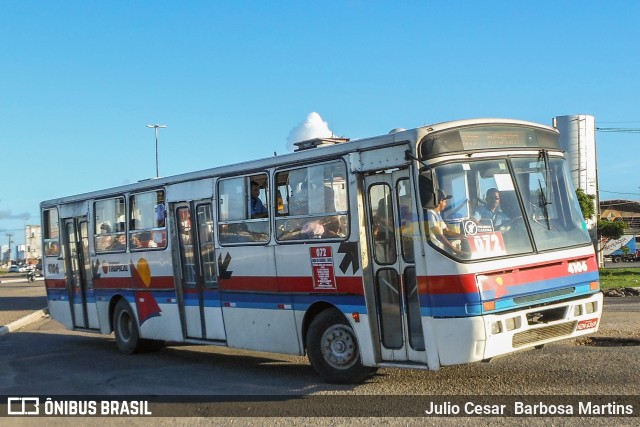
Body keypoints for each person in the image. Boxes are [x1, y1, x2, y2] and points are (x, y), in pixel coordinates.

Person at [427, 190, 465, 255]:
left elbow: (447, 231)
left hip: (441, 250)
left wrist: (461, 236)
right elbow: (439, 235)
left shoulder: (437, 214)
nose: (445, 204)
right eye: (445, 201)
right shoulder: (430, 214)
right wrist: (454, 249)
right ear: (440, 201)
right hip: (435, 252)